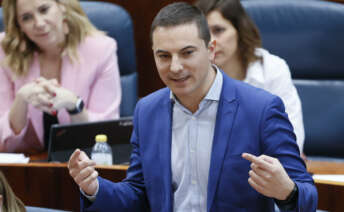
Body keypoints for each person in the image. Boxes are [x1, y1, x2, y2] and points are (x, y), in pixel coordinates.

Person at [68, 2, 317, 211]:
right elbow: (138, 193)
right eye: (164, 56)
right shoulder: (147, 111)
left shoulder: (261, 108)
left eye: (187, 53)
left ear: (210, 50)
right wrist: (95, 188)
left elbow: (307, 194)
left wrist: (287, 191)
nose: (175, 67)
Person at [0, 0, 121, 153]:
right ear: (19, 25)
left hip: (83, 164)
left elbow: (108, 135)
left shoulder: (101, 49)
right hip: (26, 167)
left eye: (44, 10)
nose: (39, 23)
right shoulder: (4, 50)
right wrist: (21, 101)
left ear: (63, 6)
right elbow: (2, 143)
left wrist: (74, 105)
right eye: (26, 17)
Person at [195, 0, 305, 153]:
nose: (211, 41)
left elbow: (292, 140)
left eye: (218, 30)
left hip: (265, 169)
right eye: (204, 33)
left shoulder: (271, 69)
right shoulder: (193, 72)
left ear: (239, 30)